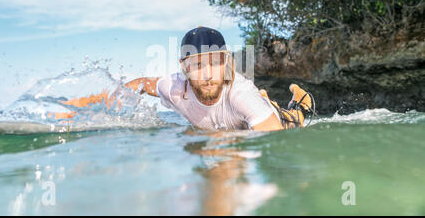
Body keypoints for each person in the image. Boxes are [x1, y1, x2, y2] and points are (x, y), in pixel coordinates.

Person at [51, 27, 313, 131]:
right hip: (241, 116)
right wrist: (82, 108)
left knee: (295, 120)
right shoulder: (175, 87)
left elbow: (275, 144)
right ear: (184, 68)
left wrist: (226, 141)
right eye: (197, 65)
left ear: (226, 62)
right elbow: (141, 83)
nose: (208, 74)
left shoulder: (239, 93)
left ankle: (298, 103)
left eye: (215, 63)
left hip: (267, 119)